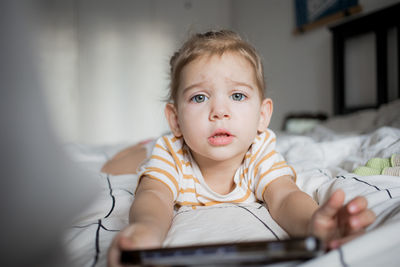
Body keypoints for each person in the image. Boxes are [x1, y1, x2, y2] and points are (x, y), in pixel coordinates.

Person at [107, 30, 376, 266]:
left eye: (237, 95)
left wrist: (312, 223)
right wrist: (146, 231)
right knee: (116, 165)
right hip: (157, 148)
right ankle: (140, 148)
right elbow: (154, 195)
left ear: (262, 115)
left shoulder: (259, 151)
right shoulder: (171, 152)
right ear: (175, 119)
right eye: (199, 97)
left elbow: (285, 196)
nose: (220, 112)